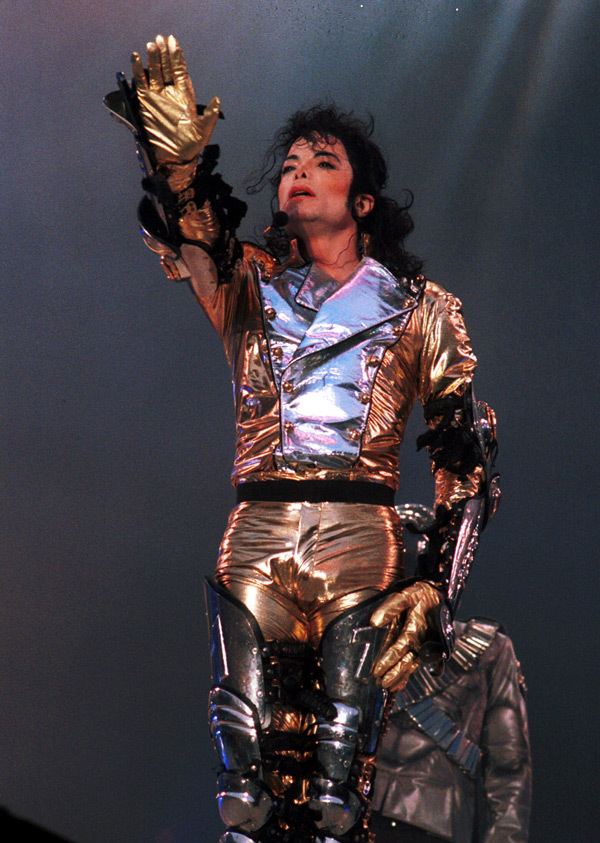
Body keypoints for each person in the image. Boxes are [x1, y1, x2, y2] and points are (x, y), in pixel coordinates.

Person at [105, 34, 500, 843]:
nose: (297, 173)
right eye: (288, 164)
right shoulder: (248, 286)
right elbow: (194, 232)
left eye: (322, 161)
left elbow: (464, 454)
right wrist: (177, 166)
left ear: (363, 201)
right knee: (242, 784)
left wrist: (436, 586)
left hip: (361, 536)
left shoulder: (423, 310)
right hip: (258, 531)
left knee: (336, 791)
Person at [370, 617, 532, 843]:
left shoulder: (490, 649)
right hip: (359, 812)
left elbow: (509, 767)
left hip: (436, 821)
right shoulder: (371, 632)